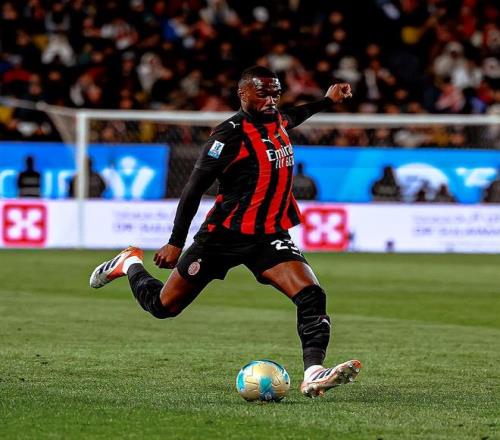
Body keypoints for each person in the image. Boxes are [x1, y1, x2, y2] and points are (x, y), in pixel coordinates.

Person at [89, 66, 361, 398]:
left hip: (267, 235)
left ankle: (314, 373)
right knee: (163, 307)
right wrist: (175, 242)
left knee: (311, 294)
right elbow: (193, 189)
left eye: (276, 94)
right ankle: (129, 263)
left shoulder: (277, 120)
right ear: (243, 94)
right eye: (263, 94)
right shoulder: (228, 136)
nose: (271, 101)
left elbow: (296, 115)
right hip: (222, 237)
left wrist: (327, 101)